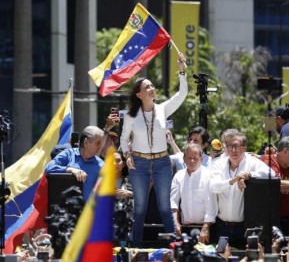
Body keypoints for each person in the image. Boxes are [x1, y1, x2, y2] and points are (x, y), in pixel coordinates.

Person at [120, 53, 188, 246]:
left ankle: (172, 248)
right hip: (139, 163)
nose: (151, 89)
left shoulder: (163, 108)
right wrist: (127, 155)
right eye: (146, 87)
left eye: (152, 86)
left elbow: (182, 94)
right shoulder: (131, 116)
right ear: (139, 94)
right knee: (139, 208)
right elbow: (124, 139)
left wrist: (181, 70)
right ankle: (136, 248)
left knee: (165, 207)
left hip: (162, 162)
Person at [209, 129, 272, 247]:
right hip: (221, 226)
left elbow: (271, 173)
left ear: (244, 147)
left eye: (236, 146)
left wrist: (249, 175)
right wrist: (234, 180)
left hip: (243, 227)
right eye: (229, 146)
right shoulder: (218, 164)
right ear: (225, 149)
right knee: (221, 261)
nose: (233, 150)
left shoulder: (252, 162)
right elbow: (214, 187)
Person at [170, 144, 217, 243]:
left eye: (195, 158)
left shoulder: (209, 176)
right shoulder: (178, 176)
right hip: (184, 228)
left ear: (201, 158)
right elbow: (173, 201)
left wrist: (205, 228)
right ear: (184, 158)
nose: (192, 161)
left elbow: (211, 205)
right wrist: (175, 222)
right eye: (189, 158)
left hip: (205, 228)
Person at [44, 126, 105, 200]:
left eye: (101, 143)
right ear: (86, 142)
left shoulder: (101, 165)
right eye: (98, 143)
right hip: (67, 208)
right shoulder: (68, 154)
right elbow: (48, 168)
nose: (100, 147)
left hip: (89, 210)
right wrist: (70, 169)